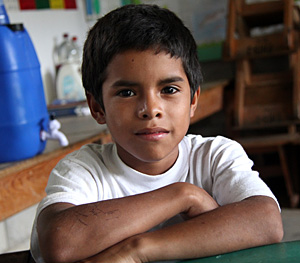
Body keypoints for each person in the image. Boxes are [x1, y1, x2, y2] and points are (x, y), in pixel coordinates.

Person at [30, 4, 283, 263]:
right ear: (97, 107)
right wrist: (183, 195)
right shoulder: (85, 170)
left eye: (169, 89)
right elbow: (59, 243)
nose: (150, 110)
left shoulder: (215, 156)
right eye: (127, 93)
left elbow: (266, 221)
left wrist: (138, 250)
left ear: (193, 100)